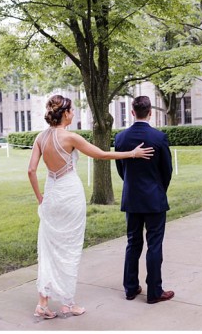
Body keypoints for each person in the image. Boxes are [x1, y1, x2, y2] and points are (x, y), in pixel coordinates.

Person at [28, 95, 154, 319]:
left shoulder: (40, 137)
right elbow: (102, 154)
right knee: (70, 248)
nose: (74, 113)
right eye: (72, 110)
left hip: (52, 196)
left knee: (48, 249)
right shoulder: (70, 137)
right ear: (65, 113)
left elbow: (31, 171)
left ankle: (43, 303)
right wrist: (132, 154)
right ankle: (67, 303)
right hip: (70, 196)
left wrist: (40, 198)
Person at [114, 96, 175, 304]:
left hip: (131, 198)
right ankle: (154, 292)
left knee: (133, 243)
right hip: (154, 198)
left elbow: (121, 169)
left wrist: (132, 185)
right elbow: (167, 170)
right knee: (154, 245)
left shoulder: (120, 138)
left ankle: (130, 289)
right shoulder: (158, 137)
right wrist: (158, 189)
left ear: (132, 112)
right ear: (151, 112)